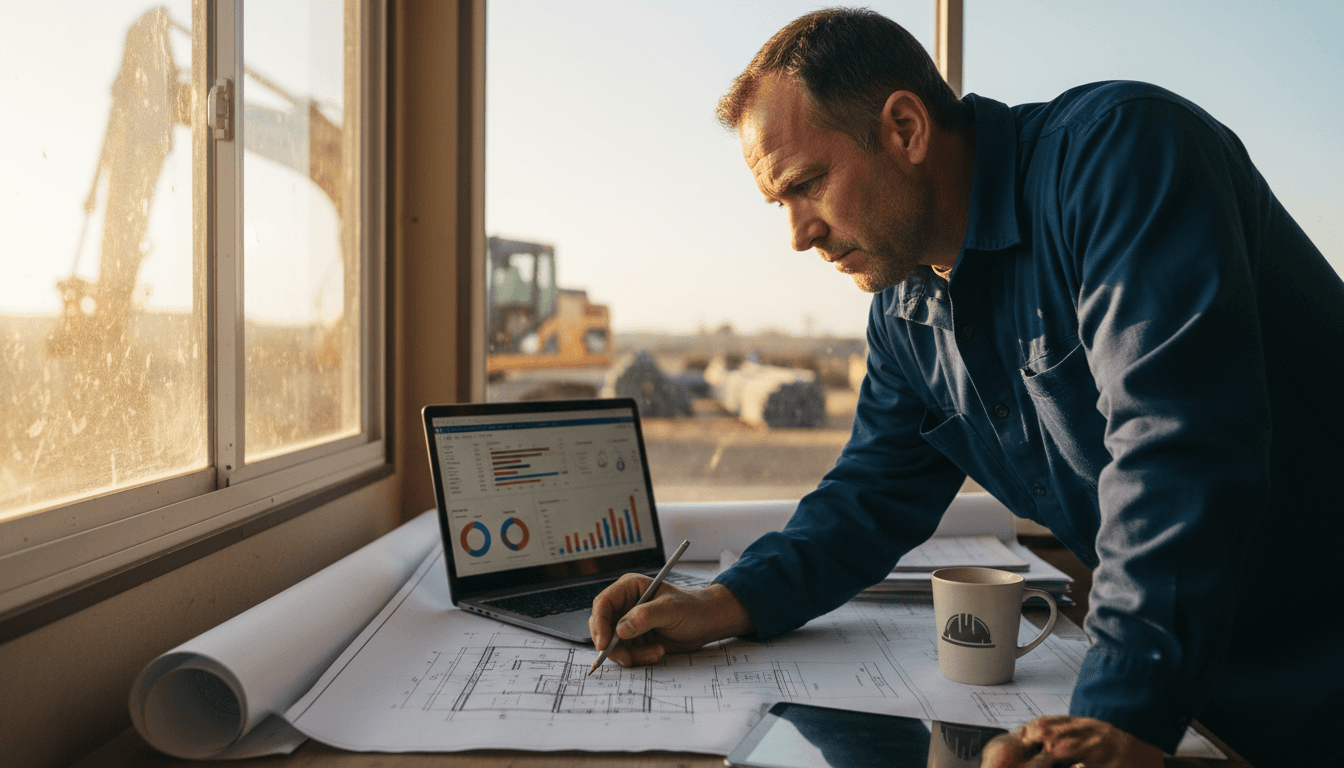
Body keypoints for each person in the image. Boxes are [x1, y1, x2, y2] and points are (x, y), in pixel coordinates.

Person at [590, 8, 1344, 767]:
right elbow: (870, 495)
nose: (798, 234)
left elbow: (1177, 449)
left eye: (809, 185)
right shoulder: (903, 310)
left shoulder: (1121, 155)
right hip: (1204, 703)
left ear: (907, 129)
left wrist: (1122, 710)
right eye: (780, 203)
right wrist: (723, 603)